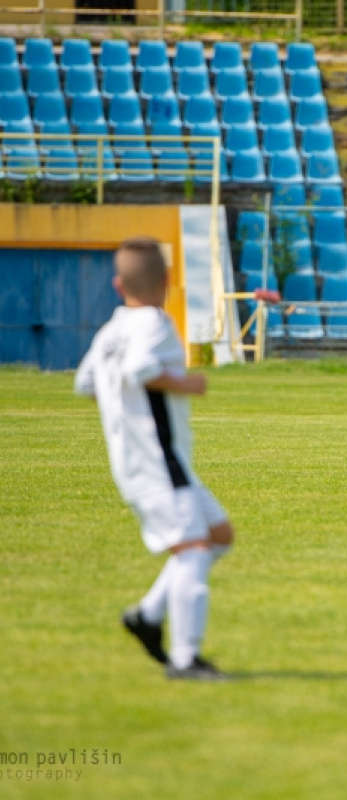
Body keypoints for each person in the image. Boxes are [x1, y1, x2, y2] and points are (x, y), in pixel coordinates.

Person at [74, 236, 233, 680]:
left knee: (219, 534)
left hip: (144, 460)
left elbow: (86, 383)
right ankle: (185, 659)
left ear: (117, 283)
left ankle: (147, 615)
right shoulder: (156, 323)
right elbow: (140, 370)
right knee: (194, 550)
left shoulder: (111, 330)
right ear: (165, 281)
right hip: (158, 463)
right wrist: (188, 385)